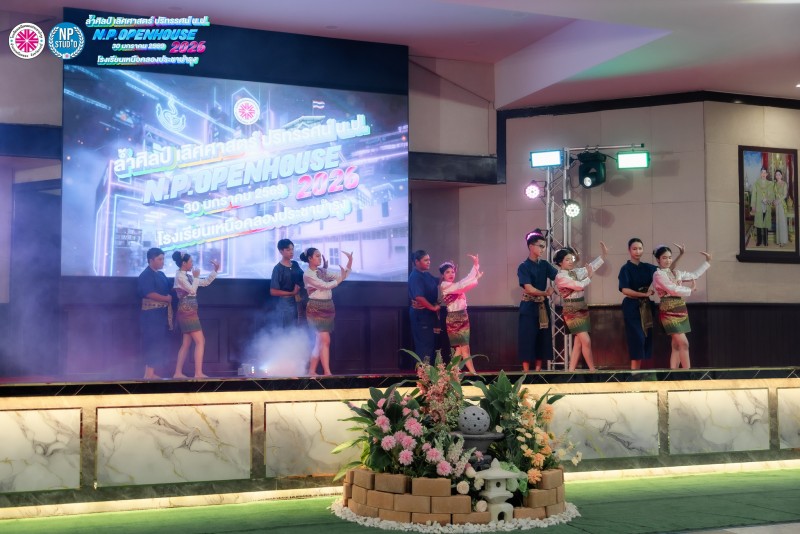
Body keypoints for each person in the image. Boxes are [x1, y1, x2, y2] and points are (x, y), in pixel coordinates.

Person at [618, 238, 684, 370]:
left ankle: (639, 373)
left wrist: (680, 255)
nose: (637, 251)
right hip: (632, 307)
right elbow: (625, 290)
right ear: (629, 250)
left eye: (640, 248)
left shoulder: (648, 267)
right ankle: (635, 374)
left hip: (646, 307)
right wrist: (644, 294)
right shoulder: (625, 269)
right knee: (637, 340)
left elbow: (666, 269)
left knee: (645, 340)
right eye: (634, 249)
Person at [652, 246, 712, 369]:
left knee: (676, 345)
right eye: (664, 258)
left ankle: (674, 374)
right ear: (658, 260)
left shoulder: (677, 273)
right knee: (684, 343)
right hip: (668, 310)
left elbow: (694, 275)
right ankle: (687, 374)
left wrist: (707, 262)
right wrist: (690, 290)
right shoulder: (658, 274)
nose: (668, 260)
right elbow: (672, 289)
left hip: (680, 309)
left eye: (670, 257)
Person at [554, 242, 608, 371]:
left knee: (578, 343)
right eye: (567, 259)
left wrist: (603, 255)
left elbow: (591, 267)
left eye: (571, 259)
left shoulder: (576, 272)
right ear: (560, 262)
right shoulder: (560, 276)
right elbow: (578, 286)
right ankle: (592, 370)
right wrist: (589, 277)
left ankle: (571, 371)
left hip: (582, 307)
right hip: (571, 310)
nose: (571, 262)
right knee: (586, 341)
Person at [301, 248, 353, 376]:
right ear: (310, 258)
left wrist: (349, 262)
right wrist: (340, 279)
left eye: (320, 255)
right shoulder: (308, 274)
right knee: (325, 340)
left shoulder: (322, 271)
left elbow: (342, 276)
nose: (320, 258)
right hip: (315, 308)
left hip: (328, 307)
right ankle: (327, 372)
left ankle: (312, 371)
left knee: (320, 341)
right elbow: (325, 286)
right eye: (317, 256)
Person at [172, 251, 219, 379]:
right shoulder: (180, 277)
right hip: (187, 312)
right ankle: (198, 373)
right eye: (191, 262)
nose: (192, 264)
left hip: (189, 311)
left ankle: (178, 373)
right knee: (200, 341)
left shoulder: (187, 276)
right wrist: (196, 277)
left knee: (186, 344)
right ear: (184, 263)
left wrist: (215, 271)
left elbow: (205, 282)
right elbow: (192, 290)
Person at [517, 229, 558, 372]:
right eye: (540, 246)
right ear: (530, 246)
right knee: (527, 337)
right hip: (528, 307)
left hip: (542, 306)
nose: (543, 249)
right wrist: (546, 293)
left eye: (544, 246)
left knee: (542, 338)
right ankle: (526, 372)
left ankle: (538, 371)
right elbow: (529, 288)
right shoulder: (523, 266)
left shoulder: (545, 264)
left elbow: (559, 277)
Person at [439, 254, 483, 374]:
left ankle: (451, 374)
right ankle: (472, 373)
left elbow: (464, 283)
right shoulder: (445, 286)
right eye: (447, 272)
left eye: (452, 272)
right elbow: (463, 285)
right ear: (442, 275)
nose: (451, 274)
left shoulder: (454, 285)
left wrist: (475, 265)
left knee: (460, 349)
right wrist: (475, 277)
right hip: (454, 319)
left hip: (463, 317)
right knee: (463, 347)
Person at [137, 248, 173, 380]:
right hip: (151, 316)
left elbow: (170, 287)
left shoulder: (161, 274)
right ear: (151, 260)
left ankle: (151, 373)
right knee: (152, 343)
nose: (162, 261)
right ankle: (148, 374)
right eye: (159, 259)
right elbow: (149, 293)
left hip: (161, 315)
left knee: (157, 343)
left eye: (163, 259)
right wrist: (166, 299)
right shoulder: (145, 275)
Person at [408, 250, 442, 363]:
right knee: (424, 346)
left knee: (430, 344)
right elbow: (419, 297)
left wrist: (448, 271)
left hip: (428, 315)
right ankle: (423, 372)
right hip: (421, 316)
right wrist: (432, 307)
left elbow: (438, 281)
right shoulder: (415, 277)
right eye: (426, 260)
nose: (429, 262)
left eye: (429, 260)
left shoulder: (426, 274)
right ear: (417, 262)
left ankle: (428, 371)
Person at [270, 238, 305, 327]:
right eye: (288, 250)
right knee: (288, 328)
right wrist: (292, 293)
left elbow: (304, 277)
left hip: (299, 301)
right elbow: (273, 291)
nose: (291, 252)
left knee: (298, 327)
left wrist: (320, 270)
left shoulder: (295, 264)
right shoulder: (278, 269)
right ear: (281, 251)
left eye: (292, 249)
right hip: (285, 304)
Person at [751, 167, 774, 247]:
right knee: (758, 224)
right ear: (760, 174)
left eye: (765, 173)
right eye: (762, 172)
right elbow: (754, 195)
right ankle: (759, 241)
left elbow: (772, 195)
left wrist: (767, 199)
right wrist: (753, 205)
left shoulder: (770, 184)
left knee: (766, 224)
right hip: (759, 206)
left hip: (766, 206)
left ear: (767, 174)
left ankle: (766, 241)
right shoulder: (756, 183)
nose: (763, 174)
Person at [774, 169, 789, 247]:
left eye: (779, 174)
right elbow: (774, 195)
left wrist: (778, 201)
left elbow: (785, 195)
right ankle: (778, 240)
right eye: (776, 174)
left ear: (781, 175)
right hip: (777, 205)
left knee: (782, 222)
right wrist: (774, 201)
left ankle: (783, 241)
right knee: (778, 222)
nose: (778, 176)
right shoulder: (775, 184)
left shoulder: (784, 184)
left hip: (782, 204)